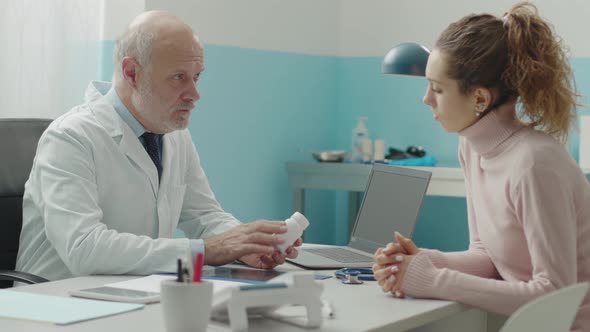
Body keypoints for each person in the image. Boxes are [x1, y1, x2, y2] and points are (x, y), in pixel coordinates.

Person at [16, 11, 301, 281]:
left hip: (131, 293)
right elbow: (84, 248)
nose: (194, 94)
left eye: (197, 76)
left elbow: (204, 216)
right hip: (54, 302)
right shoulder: (70, 137)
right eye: (179, 77)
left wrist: (247, 246)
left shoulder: (173, 134)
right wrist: (207, 250)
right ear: (131, 73)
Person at [372, 2, 590, 331]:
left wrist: (432, 279)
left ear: (480, 99)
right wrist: (422, 262)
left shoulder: (535, 163)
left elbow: (554, 292)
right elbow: (487, 256)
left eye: (438, 88)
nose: (426, 98)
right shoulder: (471, 147)